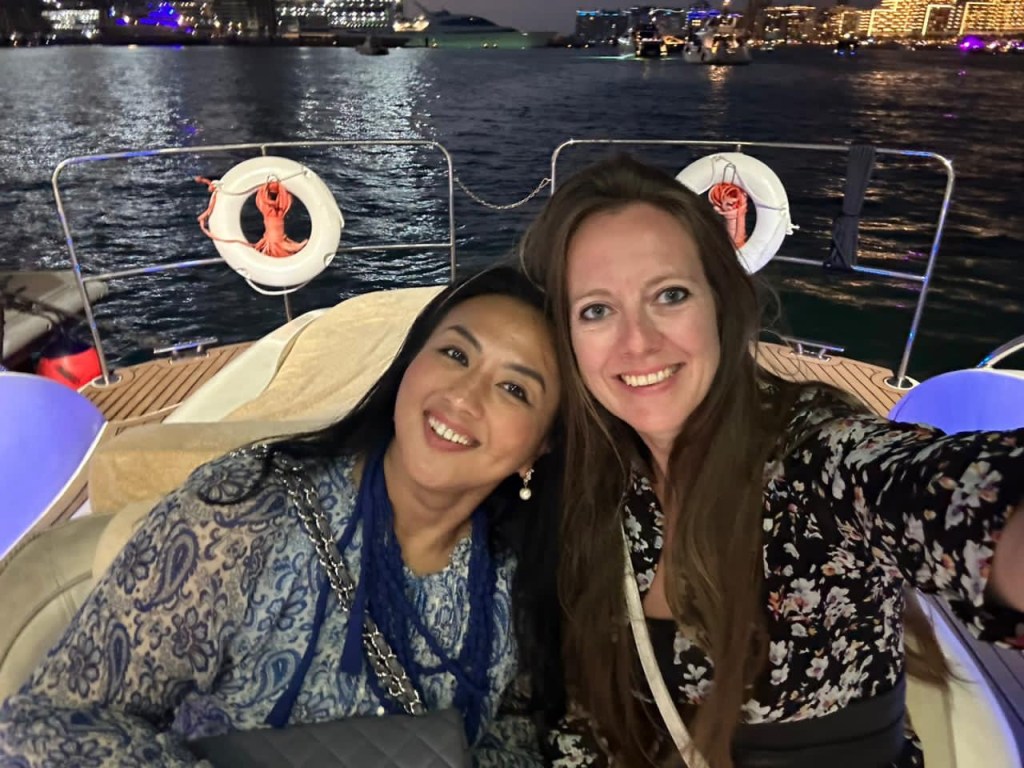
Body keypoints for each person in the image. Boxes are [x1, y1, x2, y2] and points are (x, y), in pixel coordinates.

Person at [517, 154, 1024, 767]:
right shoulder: (596, 475)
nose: (639, 342)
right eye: (596, 310)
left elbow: (953, 493)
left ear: (721, 304)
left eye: (670, 295)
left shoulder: (816, 456)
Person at [0, 265, 566, 767]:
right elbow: (41, 725)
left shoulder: (519, 580)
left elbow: (516, 733)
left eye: (514, 389)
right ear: (411, 363)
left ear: (539, 447)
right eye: (456, 354)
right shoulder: (243, 512)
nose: (465, 396)